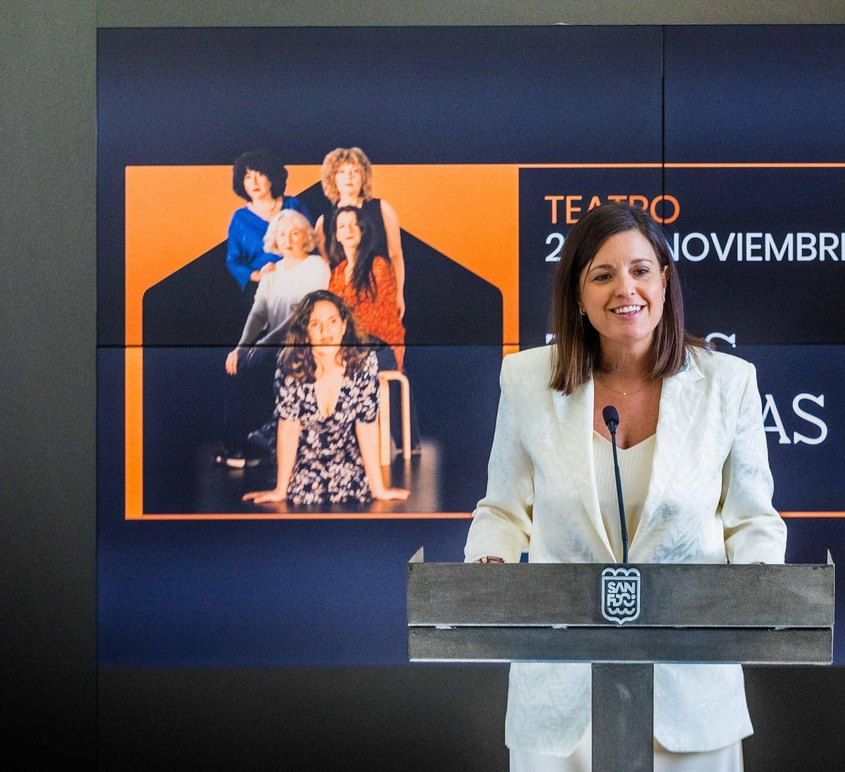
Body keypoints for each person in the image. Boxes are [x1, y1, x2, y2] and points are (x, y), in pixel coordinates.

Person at [465, 201, 784, 771]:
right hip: (562, 698)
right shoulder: (526, 380)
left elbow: (752, 520)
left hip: (690, 694)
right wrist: (488, 565)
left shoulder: (727, 383)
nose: (625, 289)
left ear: (664, 281)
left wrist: (761, 589)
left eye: (640, 270)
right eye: (603, 274)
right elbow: (502, 509)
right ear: (579, 294)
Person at [242, 291, 409, 508]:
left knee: (358, 490)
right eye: (315, 324)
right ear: (304, 333)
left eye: (332, 322)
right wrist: (280, 490)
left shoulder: (364, 362)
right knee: (301, 494)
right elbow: (289, 428)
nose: (325, 331)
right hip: (303, 461)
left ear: (343, 326)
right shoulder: (290, 366)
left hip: (347, 457)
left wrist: (379, 489)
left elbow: (366, 426)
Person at [217, 209, 329, 467]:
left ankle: (265, 441)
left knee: (265, 361)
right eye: (282, 234)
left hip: (305, 342)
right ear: (274, 239)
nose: (288, 240)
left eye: (294, 233)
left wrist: (264, 344)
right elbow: (258, 315)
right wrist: (240, 348)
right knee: (237, 365)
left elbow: (303, 314)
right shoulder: (272, 272)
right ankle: (237, 445)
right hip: (274, 342)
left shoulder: (316, 266)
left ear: (305, 237)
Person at [316, 147, 406, 318]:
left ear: (364, 176)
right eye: (342, 172)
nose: (349, 177)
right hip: (343, 302)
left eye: (355, 171)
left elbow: (395, 254)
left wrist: (398, 293)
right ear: (332, 178)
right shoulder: (324, 221)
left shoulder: (382, 208)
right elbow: (325, 268)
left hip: (380, 294)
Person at [325, 203, 405, 370]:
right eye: (342, 226)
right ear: (337, 235)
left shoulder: (378, 266)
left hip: (380, 346)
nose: (349, 230)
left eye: (354, 224)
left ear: (363, 230)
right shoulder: (337, 273)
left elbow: (382, 316)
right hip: (346, 349)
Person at [224, 148, 307, 290]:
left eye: (260, 174)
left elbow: (311, 243)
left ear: (272, 178)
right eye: (248, 177)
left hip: (298, 280)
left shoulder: (293, 205)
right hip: (262, 286)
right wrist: (257, 275)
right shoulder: (240, 219)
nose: (254, 182)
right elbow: (234, 261)